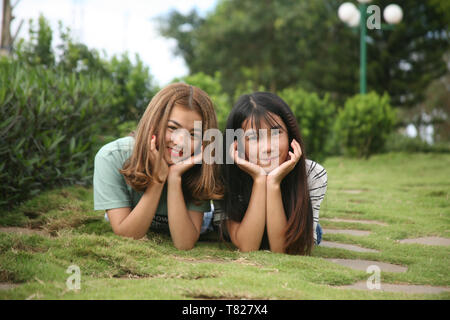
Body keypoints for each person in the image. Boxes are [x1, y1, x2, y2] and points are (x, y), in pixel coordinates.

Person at [93, 83, 223, 250]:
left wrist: (174, 177)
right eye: (172, 128)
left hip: (201, 221)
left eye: (193, 134)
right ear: (153, 123)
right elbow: (128, 236)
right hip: (131, 217)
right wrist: (158, 179)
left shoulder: (200, 164)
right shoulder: (112, 156)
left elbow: (185, 243)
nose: (180, 142)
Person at [214, 92, 327, 255]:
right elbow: (247, 247)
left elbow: (284, 251)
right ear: (237, 144)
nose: (268, 147)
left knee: (314, 230)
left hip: (295, 227)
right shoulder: (223, 174)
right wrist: (259, 179)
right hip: (233, 226)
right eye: (253, 137)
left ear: (291, 135)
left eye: (276, 133)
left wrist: (273, 183)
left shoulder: (313, 174)